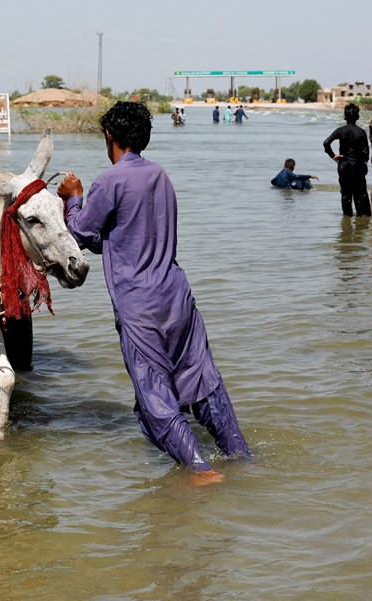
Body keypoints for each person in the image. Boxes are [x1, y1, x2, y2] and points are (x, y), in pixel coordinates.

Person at [56, 101, 251, 485]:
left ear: (109, 137)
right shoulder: (160, 175)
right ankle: (241, 456)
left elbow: (79, 233)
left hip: (138, 304)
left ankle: (200, 469)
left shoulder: (109, 180)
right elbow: (118, 236)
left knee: (153, 395)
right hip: (178, 296)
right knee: (203, 381)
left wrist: (72, 197)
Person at [323, 103, 372, 216]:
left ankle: (347, 217)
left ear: (344, 117)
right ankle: (362, 217)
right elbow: (366, 153)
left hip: (344, 165)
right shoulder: (361, 132)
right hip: (358, 165)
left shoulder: (340, 131)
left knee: (346, 194)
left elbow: (326, 143)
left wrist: (333, 155)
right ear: (358, 117)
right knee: (360, 194)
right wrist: (363, 163)